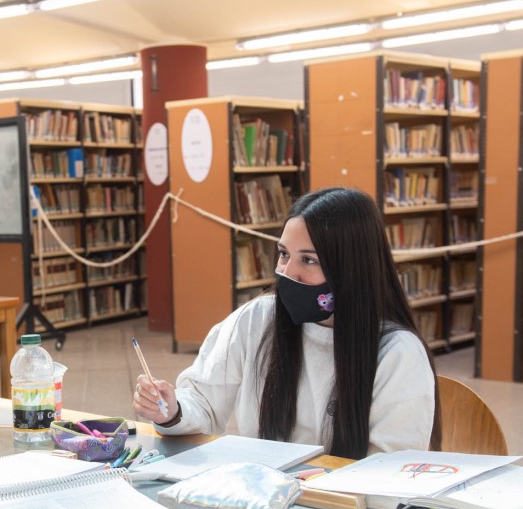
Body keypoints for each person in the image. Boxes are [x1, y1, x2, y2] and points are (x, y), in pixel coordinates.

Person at [133, 186, 440, 459]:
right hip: (261, 502)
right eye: (283, 254)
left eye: (309, 260)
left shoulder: (397, 352)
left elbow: (391, 470)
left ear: (351, 269)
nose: (287, 273)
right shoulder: (257, 319)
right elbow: (204, 400)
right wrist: (172, 410)